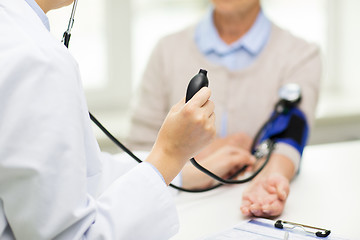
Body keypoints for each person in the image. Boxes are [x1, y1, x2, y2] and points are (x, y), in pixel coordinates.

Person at [0, 0, 216, 239]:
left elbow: (82, 175)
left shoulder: (17, 36)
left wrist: (181, 172)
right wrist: (170, 155)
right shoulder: (37, 60)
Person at [126, 0, 321, 218]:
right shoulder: (166, 51)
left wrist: (272, 180)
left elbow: (290, 138)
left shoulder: (302, 55)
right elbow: (137, 152)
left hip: (243, 218)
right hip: (179, 216)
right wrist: (205, 152)